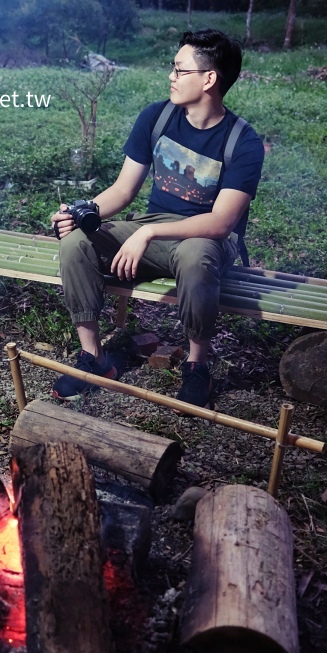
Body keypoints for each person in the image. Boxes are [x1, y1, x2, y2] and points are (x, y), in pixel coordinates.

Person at [49, 28, 265, 408]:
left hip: (207, 240)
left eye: (180, 70)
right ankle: (94, 358)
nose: (171, 76)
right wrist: (83, 213)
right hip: (154, 228)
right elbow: (123, 190)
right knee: (76, 242)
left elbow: (220, 224)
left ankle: (197, 366)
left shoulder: (243, 142)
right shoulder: (157, 117)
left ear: (209, 79)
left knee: (194, 256)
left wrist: (148, 233)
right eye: (173, 68)